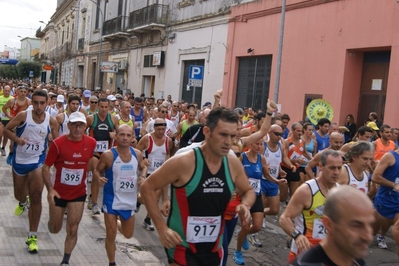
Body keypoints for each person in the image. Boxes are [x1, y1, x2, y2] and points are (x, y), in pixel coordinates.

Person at [141, 107, 256, 266]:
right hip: (182, 248)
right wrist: (161, 228)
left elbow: (248, 190)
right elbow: (147, 187)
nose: (229, 142)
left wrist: (245, 205)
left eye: (233, 136)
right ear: (207, 132)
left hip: (214, 249)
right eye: (223, 135)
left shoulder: (232, 163)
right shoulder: (184, 162)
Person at [4, 90, 59, 253]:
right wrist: (17, 140)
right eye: (35, 103)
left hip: (38, 162)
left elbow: (56, 143)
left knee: (36, 196)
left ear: (47, 103)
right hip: (20, 162)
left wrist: (54, 156)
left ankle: (32, 236)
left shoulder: (51, 121)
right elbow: (6, 130)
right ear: (31, 103)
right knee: (18, 195)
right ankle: (22, 201)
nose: (39, 106)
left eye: (42, 103)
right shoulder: (23, 116)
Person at [42, 112, 96, 265]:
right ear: (68, 126)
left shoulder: (91, 142)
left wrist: (95, 175)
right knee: (55, 228)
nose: (78, 128)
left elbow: (90, 161)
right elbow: (45, 168)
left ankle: (65, 260)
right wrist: (50, 190)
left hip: (78, 193)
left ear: (85, 126)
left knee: (73, 228)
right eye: (74, 125)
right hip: (59, 192)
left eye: (81, 125)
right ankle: (52, 221)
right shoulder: (58, 144)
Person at [95, 124, 146, 266]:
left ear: (133, 138)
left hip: (129, 201)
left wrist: (142, 176)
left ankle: (118, 223)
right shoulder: (108, 155)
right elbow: (97, 170)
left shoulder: (137, 154)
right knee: (111, 235)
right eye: (122, 134)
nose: (125, 138)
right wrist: (98, 178)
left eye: (128, 135)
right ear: (115, 136)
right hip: (111, 199)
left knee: (128, 234)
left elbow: (143, 167)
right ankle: (112, 262)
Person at [279, 150, 342, 262]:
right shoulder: (307, 191)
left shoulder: (340, 191)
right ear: (321, 167)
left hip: (328, 253)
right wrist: (297, 235)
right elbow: (284, 218)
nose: (336, 172)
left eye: (339, 168)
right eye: (332, 168)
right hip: (304, 252)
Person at [289, 185, 375, 266]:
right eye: (356, 225)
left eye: (370, 225)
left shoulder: (359, 263)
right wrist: (297, 235)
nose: (368, 237)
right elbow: (284, 218)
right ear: (329, 224)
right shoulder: (304, 264)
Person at [234, 139, 287, 265]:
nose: (259, 146)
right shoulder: (242, 157)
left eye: (260, 144)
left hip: (256, 195)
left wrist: (277, 181)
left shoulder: (261, 159)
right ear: (250, 145)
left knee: (257, 226)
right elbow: (233, 174)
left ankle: (243, 234)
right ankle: (238, 251)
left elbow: (267, 175)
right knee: (246, 225)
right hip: (243, 197)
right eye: (256, 144)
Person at [87, 97, 119, 215]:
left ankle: (92, 197)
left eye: (106, 107)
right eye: (102, 107)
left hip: (108, 153)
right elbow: (81, 132)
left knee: (107, 178)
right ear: (97, 107)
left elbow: (121, 134)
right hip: (95, 152)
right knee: (96, 174)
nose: (104, 109)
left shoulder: (113, 119)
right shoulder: (91, 119)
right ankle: (95, 204)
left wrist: (115, 135)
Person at [372, 147, 399, 255]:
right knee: (371, 232)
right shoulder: (390, 156)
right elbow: (375, 177)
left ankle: (382, 236)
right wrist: (394, 185)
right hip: (385, 200)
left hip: (398, 202)